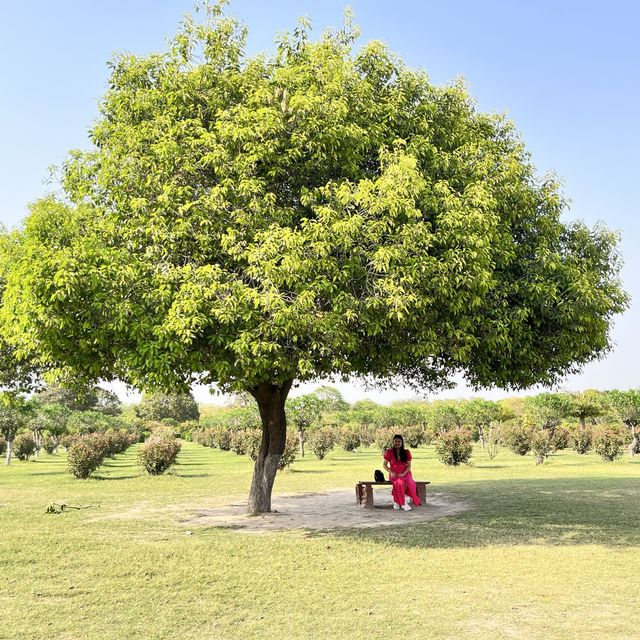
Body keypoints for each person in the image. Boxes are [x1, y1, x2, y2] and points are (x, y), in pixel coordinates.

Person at [383, 434, 421, 511]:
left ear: (402, 442)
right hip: (394, 473)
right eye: (395, 441)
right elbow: (384, 465)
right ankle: (403, 503)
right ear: (393, 442)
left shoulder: (406, 452)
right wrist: (391, 472)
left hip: (405, 473)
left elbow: (409, 466)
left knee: (409, 482)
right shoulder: (389, 452)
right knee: (399, 482)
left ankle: (397, 501)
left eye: (399, 441)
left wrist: (403, 473)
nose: (397, 443)